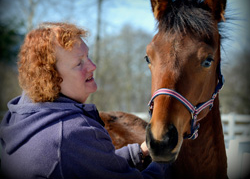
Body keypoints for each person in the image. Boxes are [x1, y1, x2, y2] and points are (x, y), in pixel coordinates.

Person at [0, 22, 169, 179]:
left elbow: (78, 162)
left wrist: (139, 152)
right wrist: (167, 160)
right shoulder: (72, 132)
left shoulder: (21, 116)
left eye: (87, 56)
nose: (92, 66)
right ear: (51, 77)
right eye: (79, 63)